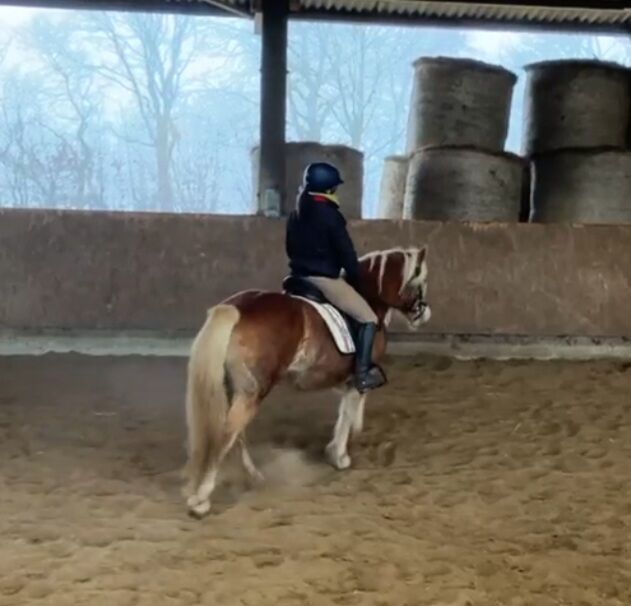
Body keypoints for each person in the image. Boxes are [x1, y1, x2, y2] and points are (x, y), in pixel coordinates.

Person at [285, 161, 386, 393]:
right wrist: (356, 280)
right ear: (330, 189)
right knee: (368, 318)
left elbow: (290, 248)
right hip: (325, 280)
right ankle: (362, 375)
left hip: (297, 278)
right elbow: (346, 254)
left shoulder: (296, 214)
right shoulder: (330, 215)